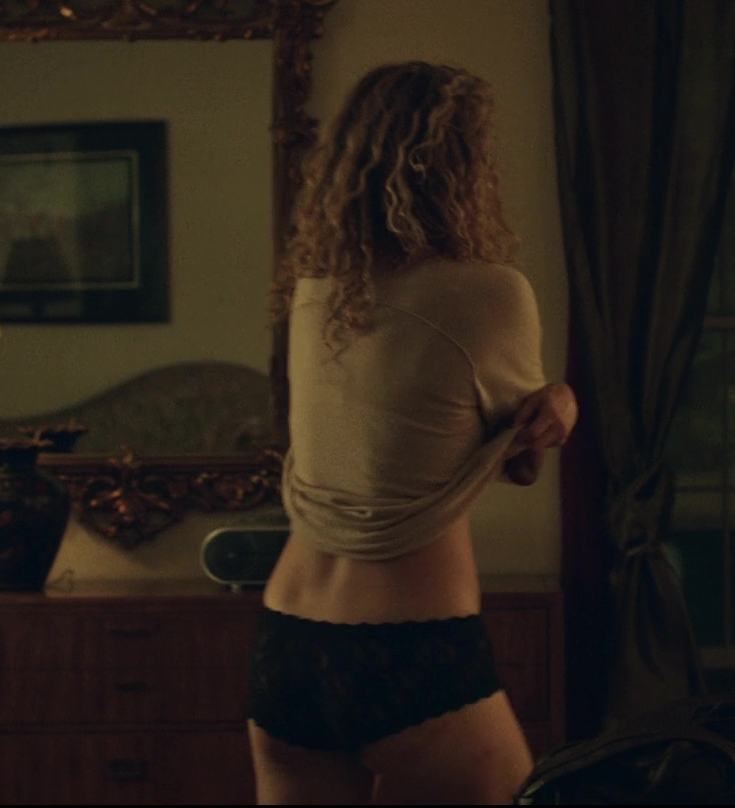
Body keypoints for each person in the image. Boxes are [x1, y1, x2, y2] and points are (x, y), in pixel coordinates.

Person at [247, 61, 578, 805]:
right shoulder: (490, 294)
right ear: (463, 165)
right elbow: (520, 460)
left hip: (287, 640)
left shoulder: (316, 296)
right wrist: (560, 401)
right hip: (409, 643)